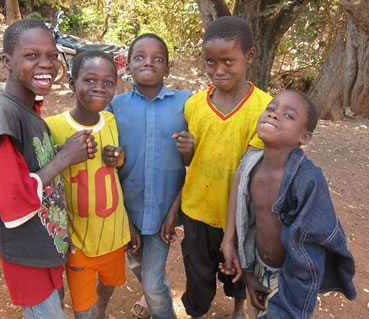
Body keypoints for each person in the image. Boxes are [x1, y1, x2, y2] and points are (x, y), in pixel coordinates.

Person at [0, 19, 96, 318]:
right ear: (7, 61)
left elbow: (30, 167)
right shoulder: (0, 112)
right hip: (25, 254)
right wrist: (64, 160)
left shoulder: (28, 110)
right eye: (32, 55)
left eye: (51, 55)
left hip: (43, 246)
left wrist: (64, 152)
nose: (46, 64)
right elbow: (12, 200)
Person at [219, 89, 357, 318]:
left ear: (303, 137)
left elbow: (312, 247)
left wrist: (289, 295)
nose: (274, 115)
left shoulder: (307, 180)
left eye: (289, 116)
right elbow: (238, 180)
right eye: (271, 109)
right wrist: (234, 249)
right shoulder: (251, 163)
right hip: (259, 268)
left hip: (293, 277)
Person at [173, 16, 273, 319]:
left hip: (242, 214)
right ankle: (196, 312)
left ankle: (238, 308)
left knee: (239, 270)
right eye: (210, 62)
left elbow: (251, 173)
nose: (218, 70)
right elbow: (191, 161)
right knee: (198, 272)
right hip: (197, 210)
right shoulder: (194, 105)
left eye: (228, 61)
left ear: (249, 57)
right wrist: (186, 152)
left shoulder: (265, 108)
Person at [104, 33, 192, 319]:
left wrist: (189, 151)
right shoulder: (114, 108)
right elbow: (106, 162)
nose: (149, 63)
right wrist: (124, 218)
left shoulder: (186, 104)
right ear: (127, 65)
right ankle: (156, 298)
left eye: (158, 59)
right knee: (139, 267)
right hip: (127, 210)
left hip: (164, 212)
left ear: (167, 67)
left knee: (152, 285)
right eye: (139, 57)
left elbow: (196, 161)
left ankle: (160, 308)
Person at [45, 50, 131, 319]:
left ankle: (102, 311)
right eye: (90, 80)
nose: (99, 88)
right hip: (78, 242)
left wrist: (119, 159)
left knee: (109, 285)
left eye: (108, 83)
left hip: (114, 235)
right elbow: (45, 182)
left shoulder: (114, 122)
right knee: (84, 310)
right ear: (71, 82)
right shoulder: (52, 127)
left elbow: (122, 166)